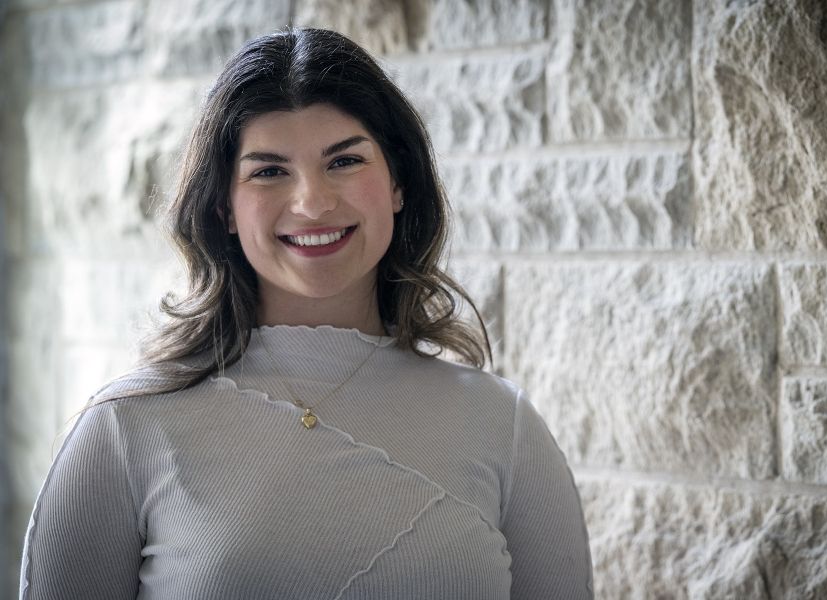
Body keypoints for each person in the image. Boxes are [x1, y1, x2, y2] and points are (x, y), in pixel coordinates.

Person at [19, 28, 594, 599]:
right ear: (224, 206)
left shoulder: (503, 425)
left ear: (398, 182)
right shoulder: (125, 428)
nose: (313, 203)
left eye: (344, 160)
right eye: (269, 171)